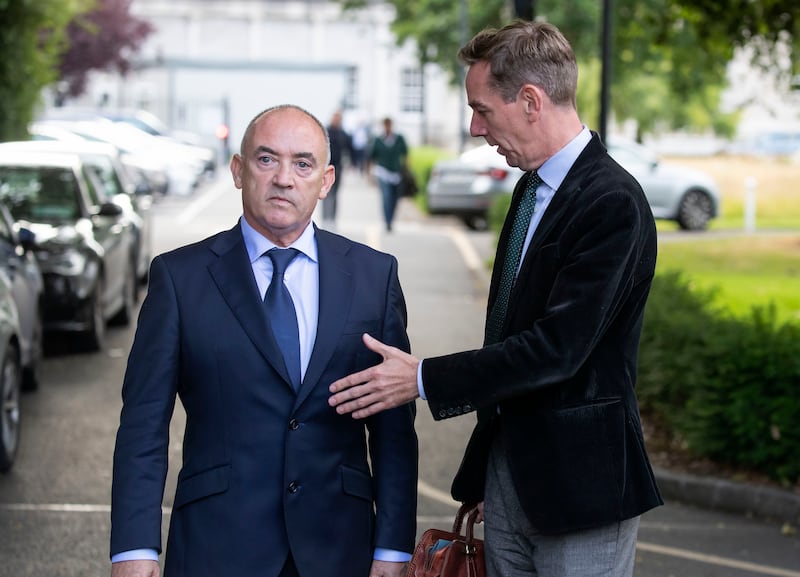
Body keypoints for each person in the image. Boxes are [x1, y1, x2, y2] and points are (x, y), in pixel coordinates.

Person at [329, 20, 663, 577]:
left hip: (581, 494)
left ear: (530, 100)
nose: (475, 127)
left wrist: (420, 379)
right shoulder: (532, 190)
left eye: (483, 109)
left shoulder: (612, 203)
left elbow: (557, 349)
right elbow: (506, 335)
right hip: (511, 484)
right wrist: (491, 472)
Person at [110, 104, 418, 577]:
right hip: (217, 547)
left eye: (303, 164)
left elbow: (394, 431)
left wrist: (394, 548)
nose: (284, 179)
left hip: (341, 549)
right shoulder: (179, 278)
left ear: (327, 180)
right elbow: (143, 424)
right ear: (238, 170)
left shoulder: (374, 277)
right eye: (266, 159)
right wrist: (134, 548)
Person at [367, 117, 408, 232]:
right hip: (383, 172)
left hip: (396, 173)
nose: (387, 127)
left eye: (389, 125)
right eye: (386, 125)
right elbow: (372, 156)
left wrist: (405, 169)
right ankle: (387, 221)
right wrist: (369, 173)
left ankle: (392, 219)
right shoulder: (378, 140)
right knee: (386, 197)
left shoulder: (399, 139)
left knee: (395, 198)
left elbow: (405, 154)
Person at [320, 110, 351, 225]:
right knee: (325, 193)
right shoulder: (325, 132)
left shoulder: (343, 133)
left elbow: (349, 148)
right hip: (325, 167)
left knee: (335, 195)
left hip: (338, 167)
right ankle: (326, 219)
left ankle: (332, 218)